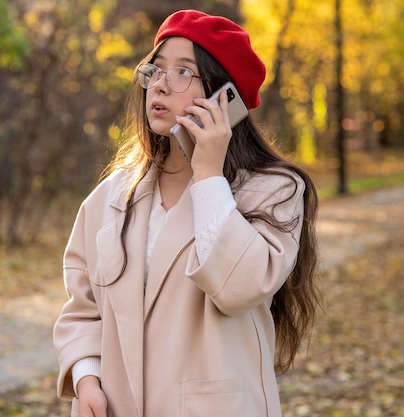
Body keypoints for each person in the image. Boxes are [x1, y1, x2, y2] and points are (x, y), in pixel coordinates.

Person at [53, 9, 320, 417]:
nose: (160, 84)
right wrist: (87, 378)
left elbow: (240, 287)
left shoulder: (275, 191)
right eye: (156, 70)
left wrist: (209, 175)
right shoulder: (112, 196)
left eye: (182, 72)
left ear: (224, 98)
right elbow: (83, 307)